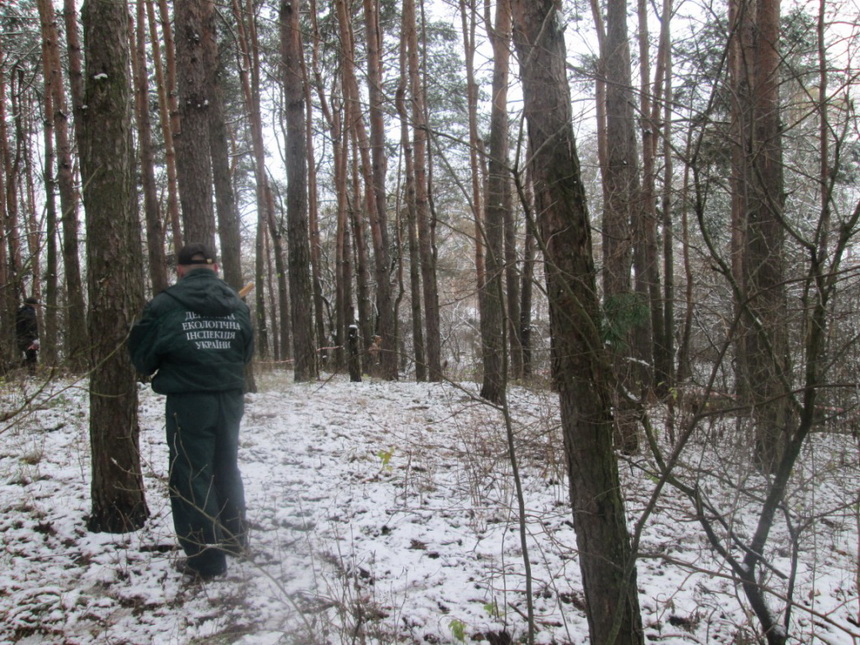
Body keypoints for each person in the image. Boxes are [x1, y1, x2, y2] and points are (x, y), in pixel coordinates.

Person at [128, 243, 254, 580]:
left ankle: (205, 557)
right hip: (229, 399)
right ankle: (234, 540)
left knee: (191, 474)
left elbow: (142, 357)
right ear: (215, 268)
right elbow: (245, 353)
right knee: (226, 467)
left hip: (188, 400)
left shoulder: (164, 305)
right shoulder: (236, 304)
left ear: (181, 270)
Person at [16, 297, 40, 374]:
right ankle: (32, 373)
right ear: (32, 304)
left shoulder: (21, 312)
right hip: (29, 338)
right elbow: (31, 326)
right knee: (32, 357)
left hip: (21, 338)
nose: (36, 306)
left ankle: (16, 368)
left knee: (27, 356)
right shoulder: (30, 312)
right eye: (35, 304)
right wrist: (34, 338)